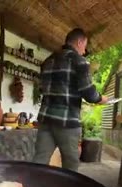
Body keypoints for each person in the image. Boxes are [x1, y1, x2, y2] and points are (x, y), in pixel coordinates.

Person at [33, 28, 109, 171]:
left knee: (39, 159)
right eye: (84, 46)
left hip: (46, 119)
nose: (84, 51)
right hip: (66, 122)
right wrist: (101, 98)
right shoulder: (79, 62)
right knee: (70, 163)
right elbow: (89, 93)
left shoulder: (48, 61)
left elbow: (42, 88)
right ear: (79, 42)